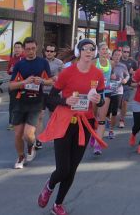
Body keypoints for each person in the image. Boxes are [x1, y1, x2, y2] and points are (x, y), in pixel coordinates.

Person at [37, 38, 107, 215]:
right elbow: (50, 99)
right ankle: (49, 185)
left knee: (72, 169)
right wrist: (65, 101)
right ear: (79, 52)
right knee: (63, 169)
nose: (89, 52)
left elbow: (101, 98)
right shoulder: (67, 73)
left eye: (92, 49)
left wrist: (99, 100)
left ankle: (58, 204)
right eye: (85, 49)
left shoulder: (98, 74)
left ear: (95, 52)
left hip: (85, 123)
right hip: (65, 122)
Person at [9, 38, 52, 169]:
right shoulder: (19, 65)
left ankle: (31, 145)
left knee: (28, 134)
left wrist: (42, 81)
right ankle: (21, 157)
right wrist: (24, 82)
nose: (30, 51)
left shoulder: (43, 62)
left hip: (36, 102)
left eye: (33, 48)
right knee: (18, 134)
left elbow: (50, 81)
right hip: (20, 101)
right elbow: (11, 86)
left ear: (37, 48)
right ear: (23, 50)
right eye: (27, 49)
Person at [36, 43, 64, 149]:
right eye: (47, 51)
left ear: (55, 53)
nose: (49, 53)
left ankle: (55, 137)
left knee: (53, 117)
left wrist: (55, 79)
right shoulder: (40, 62)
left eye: (51, 51)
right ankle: (38, 140)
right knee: (40, 116)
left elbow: (62, 77)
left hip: (54, 93)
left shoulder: (59, 63)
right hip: (41, 92)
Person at [92, 42, 112, 155]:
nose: (105, 51)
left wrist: (121, 77)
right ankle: (93, 135)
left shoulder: (111, 63)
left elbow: (120, 73)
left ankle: (98, 144)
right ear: (98, 51)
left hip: (106, 92)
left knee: (101, 118)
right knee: (93, 116)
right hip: (94, 92)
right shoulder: (94, 62)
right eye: (103, 49)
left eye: (106, 49)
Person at [106, 49, 129, 139]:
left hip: (118, 90)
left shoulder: (123, 66)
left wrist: (125, 80)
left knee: (115, 111)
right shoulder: (107, 65)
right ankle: (107, 123)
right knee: (107, 111)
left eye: (119, 55)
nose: (117, 57)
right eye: (116, 55)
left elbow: (127, 75)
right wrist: (109, 77)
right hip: (107, 90)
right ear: (112, 55)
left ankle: (111, 130)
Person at [119, 45, 139, 129]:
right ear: (121, 52)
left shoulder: (133, 62)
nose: (126, 54)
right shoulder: (118, 60)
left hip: (127, 85)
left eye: (128, 52)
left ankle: (122, 120)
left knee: (125, 102)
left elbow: (137, 73)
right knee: (119, 104)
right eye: (124, 52)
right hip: (117, 86)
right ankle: (120, 112)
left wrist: (133, 72)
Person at [6, 41, 25, 130]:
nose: (17, 49)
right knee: (13, 104)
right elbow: (8, 71)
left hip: (23, 85)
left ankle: (22, 121)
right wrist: (10, 69)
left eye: (18, 47)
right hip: (13, 84)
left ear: (22, 49)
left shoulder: (25, 59)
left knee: (22, 103)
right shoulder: (12, 59)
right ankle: (11, 122)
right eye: (15, 48)